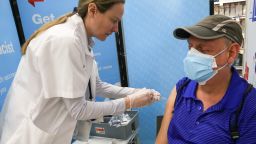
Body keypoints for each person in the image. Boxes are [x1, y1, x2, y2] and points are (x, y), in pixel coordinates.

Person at [0, 0, 161, 144]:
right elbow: (79, 109)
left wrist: (139, 93)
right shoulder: (66, 41)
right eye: (114, 20)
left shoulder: (82, 41)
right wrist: (129, 102)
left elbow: (96, 85)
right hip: (30, 136)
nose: (116, 29)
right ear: (92, 10)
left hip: (51, 133)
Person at [156, 15, 256, 144]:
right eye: (190, 47)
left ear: (231, 52)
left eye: (204, 49)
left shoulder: (249, 104)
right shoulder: (181, 88)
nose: (192, 56)